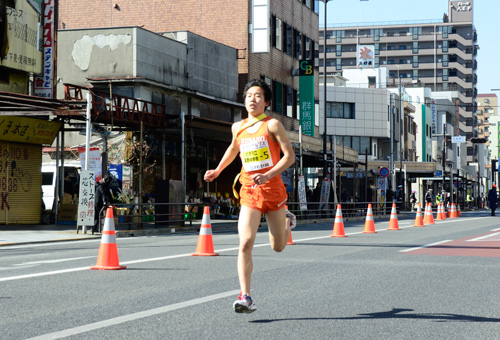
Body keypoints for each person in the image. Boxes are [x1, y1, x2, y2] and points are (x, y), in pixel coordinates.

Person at [204, 79, 295, 314]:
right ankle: (245, 296)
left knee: (278, 247)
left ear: (266, 102)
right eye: (248, 96)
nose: (252, 99)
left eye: (257, 96)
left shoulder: (273, 125)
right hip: (249, 191)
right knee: (245, 242)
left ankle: (286, 220)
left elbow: (289, 157)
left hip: (273, 190)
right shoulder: (238, 127)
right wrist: (218, 170)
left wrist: (269, 174)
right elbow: (233, 149)